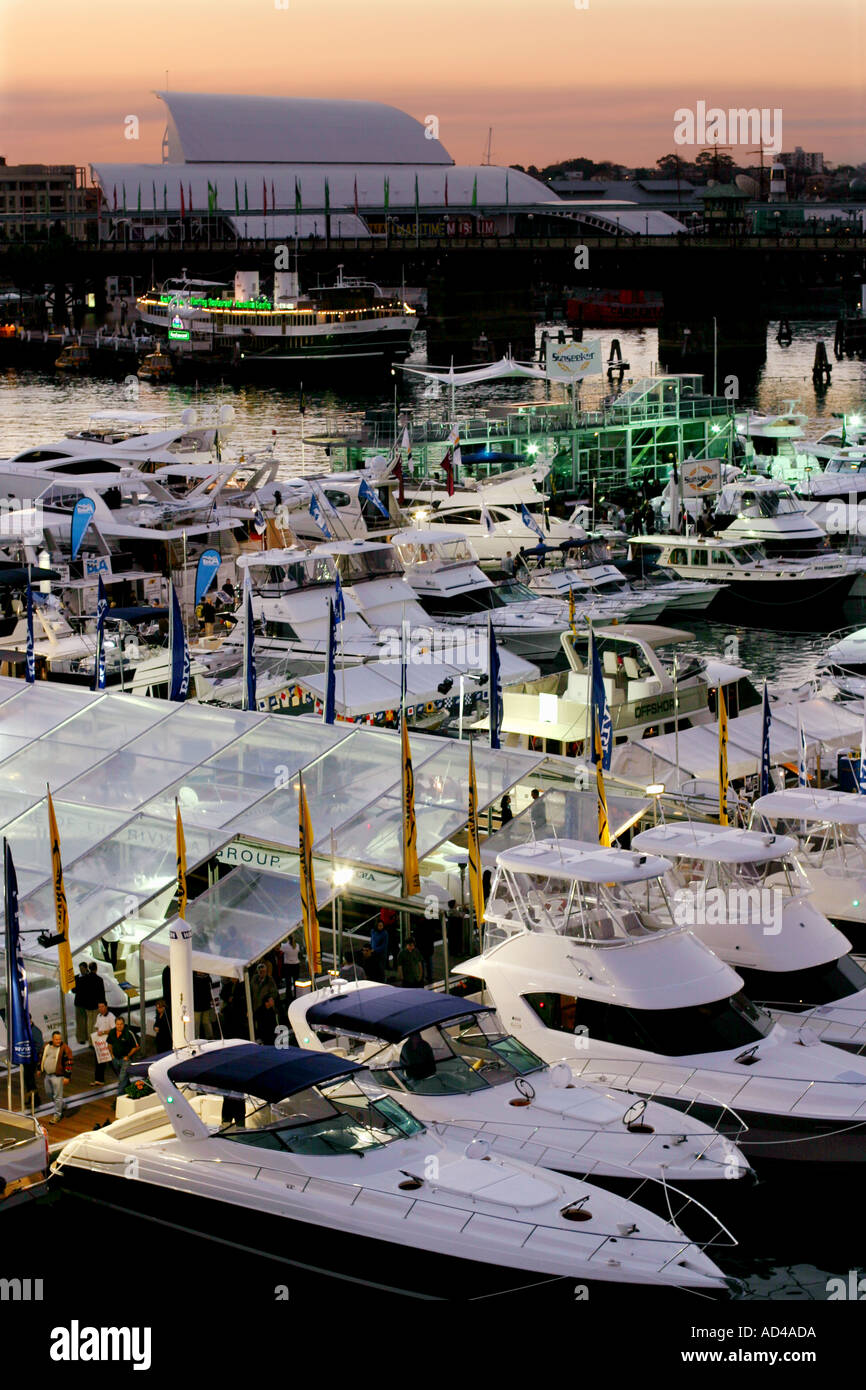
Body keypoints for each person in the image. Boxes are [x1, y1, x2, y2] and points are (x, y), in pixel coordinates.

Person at [39, 1030, 73, 1123]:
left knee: (57, 1096)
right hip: (47, 1075)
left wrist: (67, 1076)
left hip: (58, 1076)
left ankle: (57, 1115)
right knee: (49, 1093)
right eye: (56, 1039)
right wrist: (39, 1069)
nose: (58, 1041)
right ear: (52, 1039)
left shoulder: (65, 1048)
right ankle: (62, 1105)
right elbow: (42, 1057)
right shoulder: (47, 1046)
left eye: (59, 1039)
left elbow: (69, 1063)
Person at [107, 1016, 140, 1093]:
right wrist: (112, 1055)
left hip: (125, 1060)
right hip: (115, 1059)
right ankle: (130, 1091)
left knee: (122, 1078)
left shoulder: (129, 1033)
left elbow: (137, 1047)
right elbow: (109, 1044)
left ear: (124, 1024)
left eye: (121, 1024)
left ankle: (119, 1097)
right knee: (123, 1078)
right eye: (118, 1024)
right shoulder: (112, 1032)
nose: (119, 1026)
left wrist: (128, 1056)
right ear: (115, 1024)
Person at [91, 1001, 116, 1083]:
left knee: (111, 1061)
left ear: (106, 1006)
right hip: (100, 1042)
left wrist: (103, 1032)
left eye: (102, 1006)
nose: (100, 1009)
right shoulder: (99, 1016)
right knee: (99, 1059)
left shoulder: (111, 1016)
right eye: (99, 1007)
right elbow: (97, 1027)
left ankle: (121, 1077)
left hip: (109, 1041)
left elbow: (114, 1029)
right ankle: (99, 1079)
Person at [23, 1016, 43, 1108]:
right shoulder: (26, 1030)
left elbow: (39, 1045)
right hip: (27, 1058)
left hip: (32, 1059)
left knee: (30, 1080)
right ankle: (32, 1099)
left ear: (30, 1020)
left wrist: (30, 1051)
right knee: (27, 1079)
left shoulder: (35, 1031)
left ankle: (36, 1100)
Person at [412, 916, 436, 986]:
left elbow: (416, 935)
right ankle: (429, 977)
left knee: (422, 963)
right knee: (428, 963)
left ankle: (422, 977)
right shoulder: (429, 924)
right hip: (428, 946)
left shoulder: (418, 925)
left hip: (422, 946)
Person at [193, 972, 214, 1040]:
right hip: (206, 1004)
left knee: (197, 1023)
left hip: (197, 1005)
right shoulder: (207, 977)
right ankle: (210, 1037)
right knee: (206, 1022)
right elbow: (210, 990)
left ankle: (196, 1038)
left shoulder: (193, 978)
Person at [73, 962, 90, 1045]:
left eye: (82, 969)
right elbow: (73, 990)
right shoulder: (76, 978)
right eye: (80, 969)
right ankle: (81, 1038)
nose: (81, 970)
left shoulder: (89, 977)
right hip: (79, 1002)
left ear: (86, 968)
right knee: (80, 1021)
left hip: (87, 1003)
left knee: (88, 1021)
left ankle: (88, 1036)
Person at [281, 937, 300, 1002]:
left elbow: (278, 949)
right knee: (296, 983)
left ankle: (288, 998)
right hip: (296, 965)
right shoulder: (297, 945)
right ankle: (296, 996)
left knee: (288, 984)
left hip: (288, 966)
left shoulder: (284, 946)